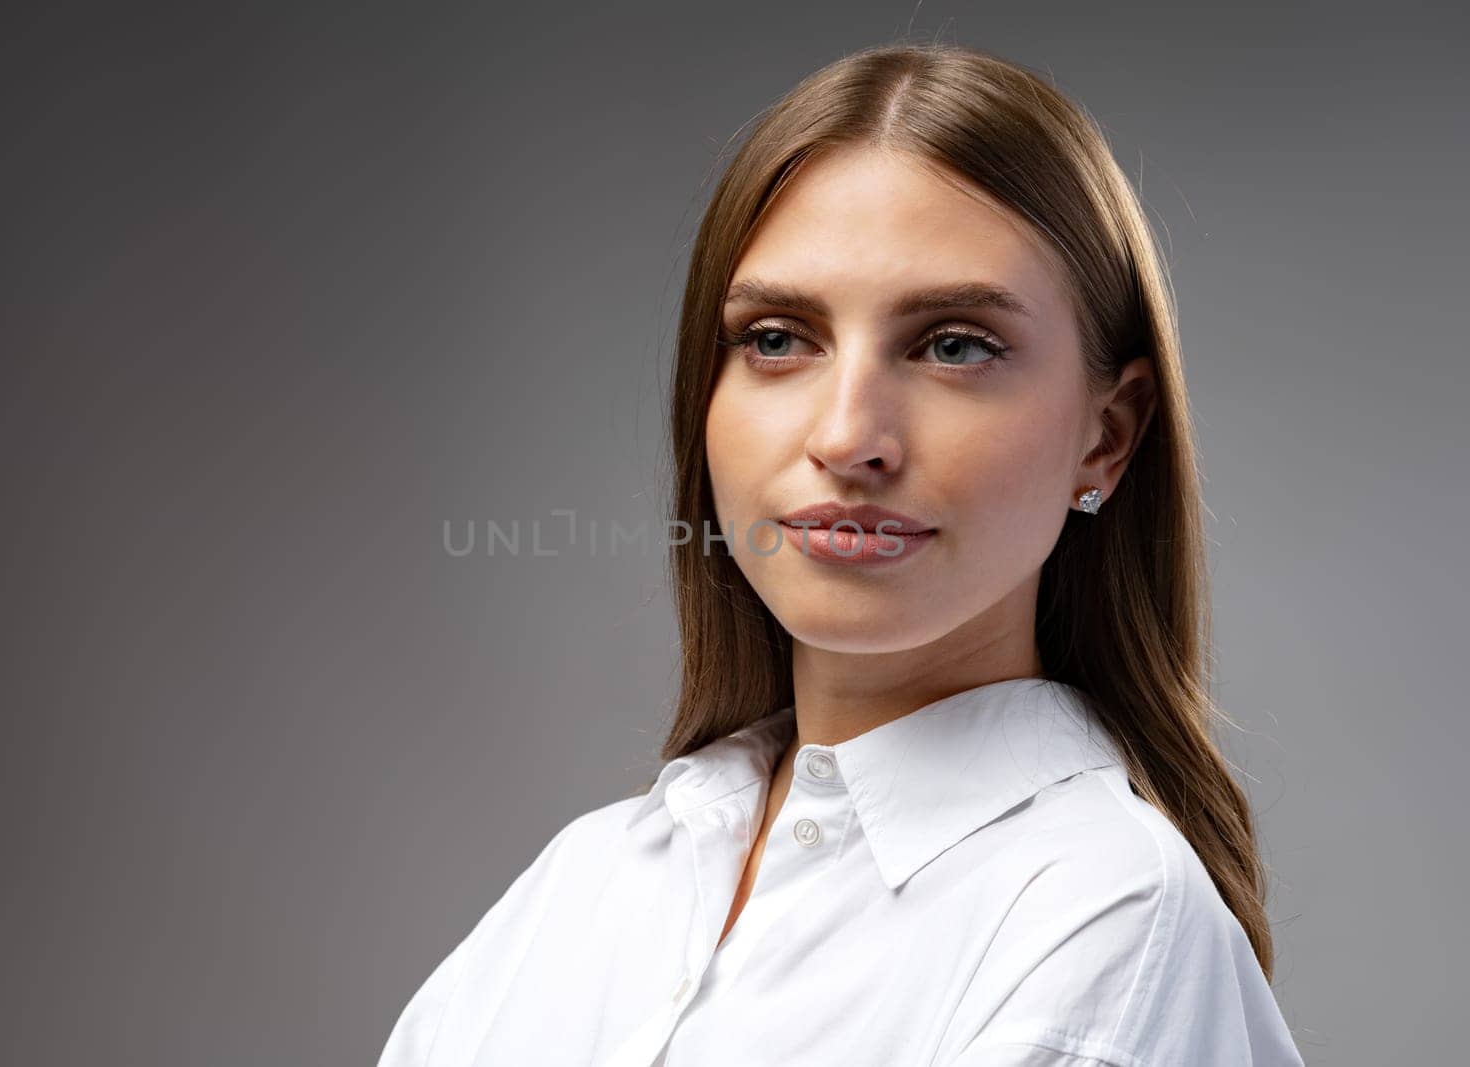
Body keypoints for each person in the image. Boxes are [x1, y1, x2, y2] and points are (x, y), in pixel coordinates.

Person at [377, 41, 1305, 1066]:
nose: (846, 433)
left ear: (1108, 433)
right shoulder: (584, 882)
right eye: (776, 338)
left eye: (953, 344)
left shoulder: (1104, 912)